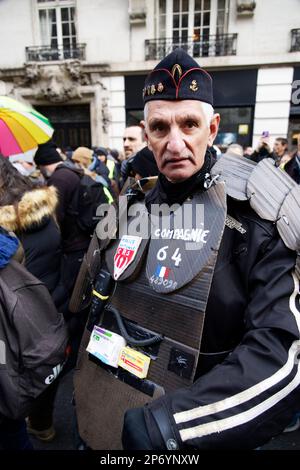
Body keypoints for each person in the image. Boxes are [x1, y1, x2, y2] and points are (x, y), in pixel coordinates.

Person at [74, 48, 300, 450]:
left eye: (189, 124)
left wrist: (174, 426)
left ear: (212, 128)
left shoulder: (259, 219)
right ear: (147, 135)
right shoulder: (130, 205)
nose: (175, 143)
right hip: (112, 408)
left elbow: (281, 356)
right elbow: (96, 298)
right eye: (160, 128)